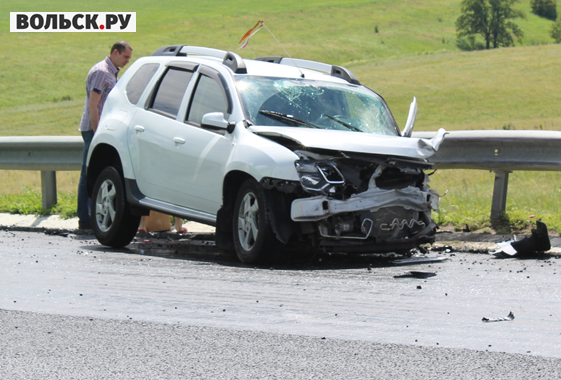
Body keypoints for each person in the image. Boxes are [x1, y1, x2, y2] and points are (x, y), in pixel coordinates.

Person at [77, 41, 133, 229]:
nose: (127, 61)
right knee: (87, 173)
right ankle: (85, 218)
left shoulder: (111, 71)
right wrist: (97, 132)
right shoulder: (102, 72)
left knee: (92, 172)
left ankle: (90, 215)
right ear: (115, 53)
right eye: (125, 57)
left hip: (97, 128)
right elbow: (94, 104)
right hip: (93, 128)